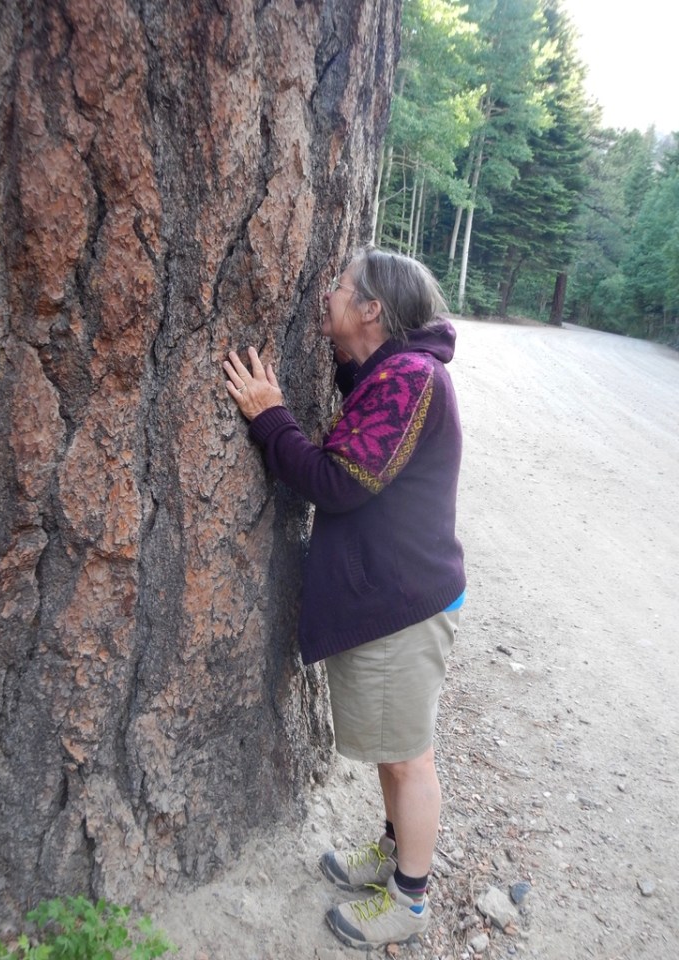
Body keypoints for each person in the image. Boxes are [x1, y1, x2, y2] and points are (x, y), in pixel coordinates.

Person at [222, 245, 465, 950]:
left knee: (408, 757)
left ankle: (410, 902)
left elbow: (338, 482)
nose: (326, 293)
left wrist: (270, 416)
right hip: (393, 594)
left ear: (372, 309)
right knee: (394, 747)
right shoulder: (397, 371)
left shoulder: (410, 378)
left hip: (403, 605)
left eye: (341, 286)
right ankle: (392, 853)